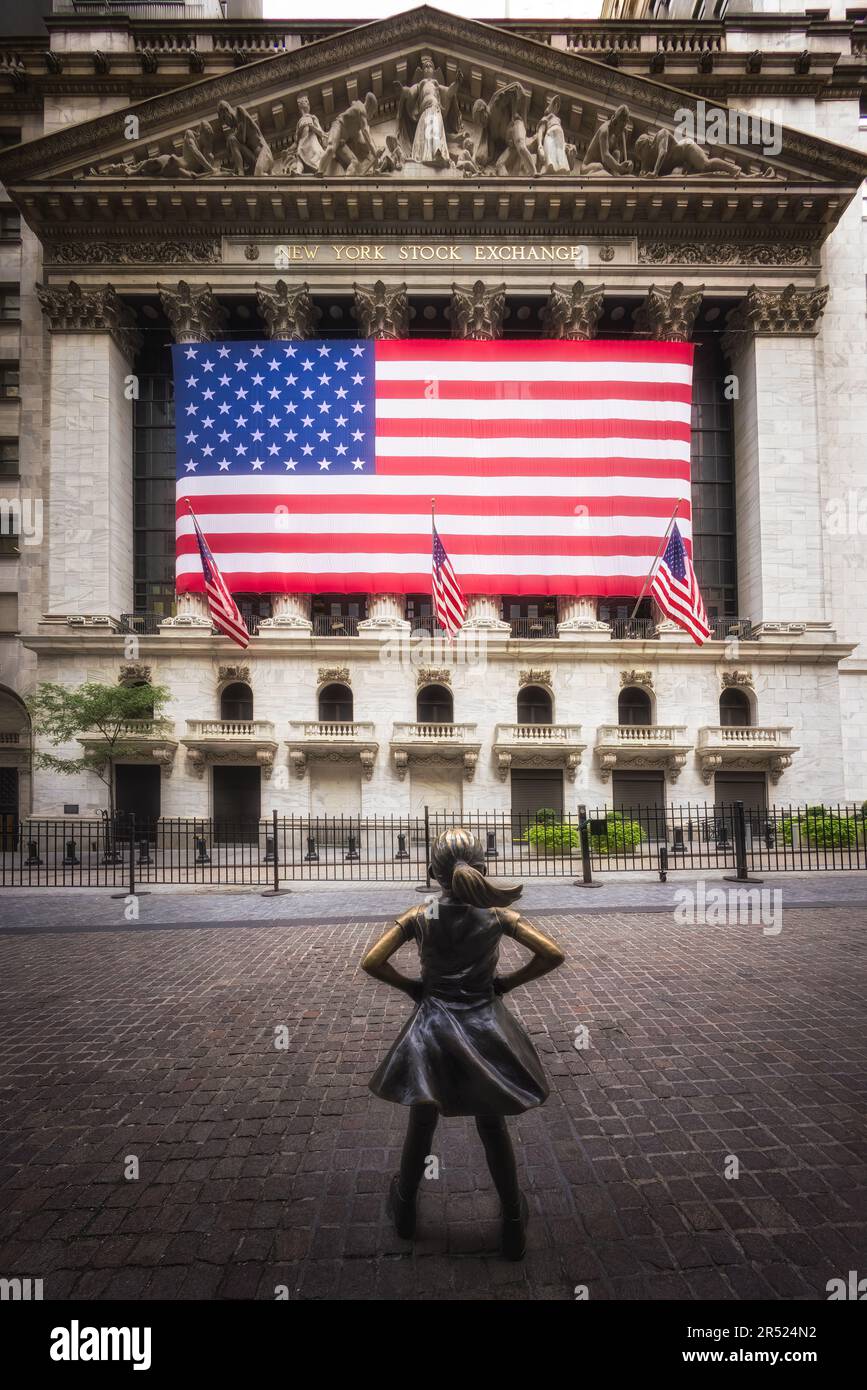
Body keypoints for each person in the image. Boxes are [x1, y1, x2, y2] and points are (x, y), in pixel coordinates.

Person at [361, 827, 565, 1260]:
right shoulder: (495, 915)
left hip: (432, 1025)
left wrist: (414, 988)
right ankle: (512, 1223)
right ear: (481, 866)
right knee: (492, 1123)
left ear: (434, 873)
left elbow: (372, 961)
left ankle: (405, 1210)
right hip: (483, 1025)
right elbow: (552, 954)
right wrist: (507, 982)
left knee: (422, 1118)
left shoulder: (424, 911)